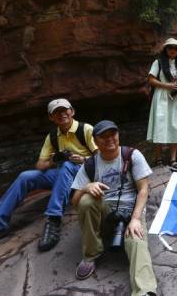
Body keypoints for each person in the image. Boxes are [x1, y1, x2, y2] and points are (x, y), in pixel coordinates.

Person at [0, 99, 97, 260]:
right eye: (56, 112)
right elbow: (40, 165)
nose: (62, 114)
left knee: (66, 166)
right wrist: (53, 160)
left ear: (72, 111)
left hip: (85, 175)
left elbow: (103, 158)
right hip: (63, 176)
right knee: (25, 176)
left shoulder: (85, 129)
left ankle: (53, 220)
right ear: (51, 117)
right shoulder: (52, 136)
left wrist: (82, 160)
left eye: (64, 110)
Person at [71, 120, 157, 296]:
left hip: (131, 210)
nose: (110, 139)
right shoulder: (90, 164)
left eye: (113, 134)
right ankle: (91, 254)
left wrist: (135, 219)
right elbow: (74, 201)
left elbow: (143, 189)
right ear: (95, 140)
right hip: (105, 210)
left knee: (136, 241)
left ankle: (145, 291)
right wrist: (87, 187)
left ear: (118, 135)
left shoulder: (132, 155)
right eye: (104, 136)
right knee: (86, 201)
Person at [147, 38, 177, 168]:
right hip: (161, 97)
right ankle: (158, 158)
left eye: (175, 48)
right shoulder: (158, 63)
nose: (173, 50)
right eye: (170, 48)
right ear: (166, 49)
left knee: (175, 126)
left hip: (175, 99)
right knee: (160, 125)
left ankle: (173, 159)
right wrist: (166, 85)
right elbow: (151, 80)